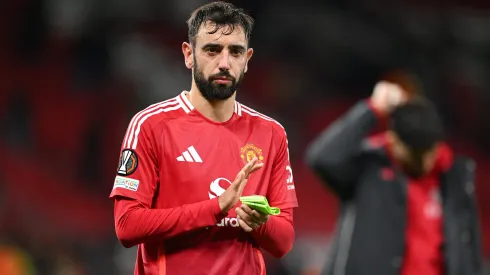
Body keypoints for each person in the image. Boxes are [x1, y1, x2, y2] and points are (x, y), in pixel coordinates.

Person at [109, 2, 298, 274]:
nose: (224, 62)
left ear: (247, 60)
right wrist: (216, 207)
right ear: (189, 54)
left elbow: (283, 242)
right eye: (212, 49)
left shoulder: (271, 133)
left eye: (235, 51)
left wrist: (261, 223)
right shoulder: (151, 125)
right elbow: (127, 226)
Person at [306, 82, 481, 275]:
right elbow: (322, 159)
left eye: (427, 152)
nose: (423, 162)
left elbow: (468, 249)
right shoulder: (368, 168)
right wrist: (372, 109)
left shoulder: (455, 176)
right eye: (413, 153)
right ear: (392, 140)